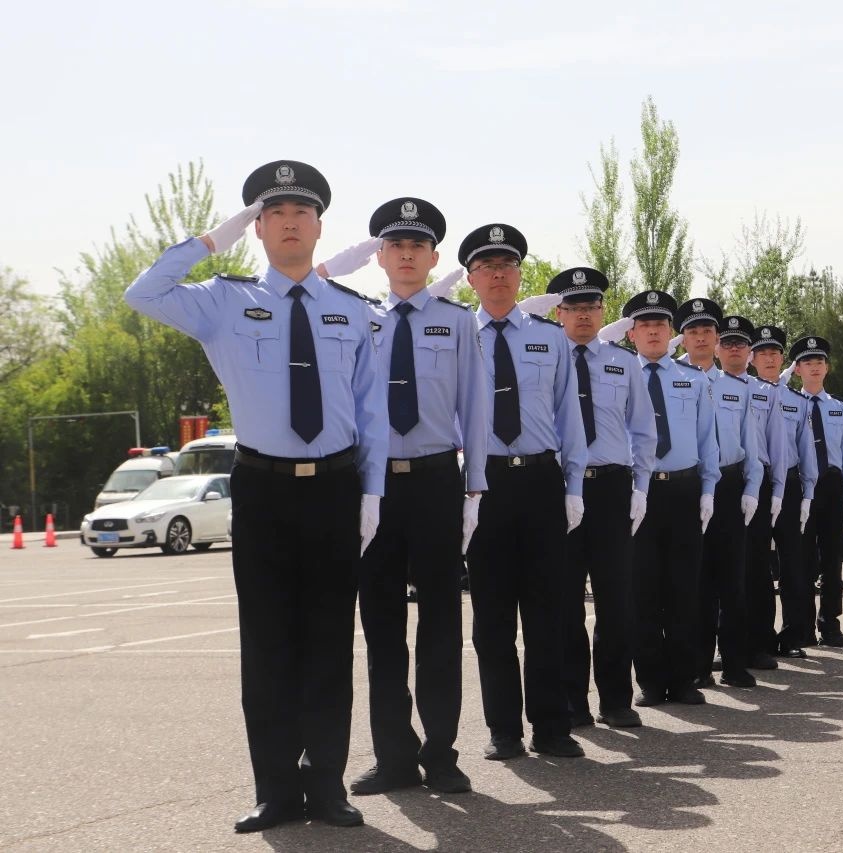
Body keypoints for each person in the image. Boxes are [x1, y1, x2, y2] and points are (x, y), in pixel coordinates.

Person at [125, 160, 384, 831]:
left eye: (302, 212)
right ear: (259, 228)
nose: (290, 222)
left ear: (320, 227)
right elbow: (143, 293)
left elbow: (372, 410)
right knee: (267, 644)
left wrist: (372, 492)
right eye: (274, 213)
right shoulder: (222, 300)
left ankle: (326, 786)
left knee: (329, 642)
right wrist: (215, 238)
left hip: (334, 488)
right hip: (263, 490)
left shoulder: (353, 310)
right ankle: (275, 790)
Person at [317, 198, 488, 798]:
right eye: (395, 246)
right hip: (373, 485)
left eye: (418, 246)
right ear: (379, 257)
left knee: (440, 621)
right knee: (381, 624)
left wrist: (475, 488)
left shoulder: (458, 321)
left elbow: (476, 406)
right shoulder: (355, 316)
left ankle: (441, 754)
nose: (407, 255)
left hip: (438, 480)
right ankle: (393, 756)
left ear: (434, 258)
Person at [460, 224, 589, 761]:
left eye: (507, 265)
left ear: (519, 275)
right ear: (470, 278)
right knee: (491, 618)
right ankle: (504, 730)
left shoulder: (551, 338)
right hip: (482, 486)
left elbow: (569, 416)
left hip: (540, 481)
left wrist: (574, 486)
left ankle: (552, 727)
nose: (498, 275)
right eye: (486, 267)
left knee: (547, 613)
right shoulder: (456, 333)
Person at [550, 267, 657, 729]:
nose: (583, 315)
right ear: (559, 313)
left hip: (612, 487)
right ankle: (572, 702)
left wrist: (641, 486)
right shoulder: (546, 357)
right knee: (565, 601)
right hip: (559, 489)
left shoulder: (624, 362)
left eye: (591, 307)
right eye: (573, 307)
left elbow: (643, 429)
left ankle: (615, 699)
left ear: (602, 311)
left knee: (616, 599)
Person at [625, 290, 720, 706]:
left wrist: (709, 489)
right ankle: (649, 680)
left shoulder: (694, 380)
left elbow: (708, 439)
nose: (653, 332)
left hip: (683, 490)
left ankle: (683, 678)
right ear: (631, 333)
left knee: (683, 588)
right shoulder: (620, 374)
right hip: (636, 492)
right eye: (645, 325)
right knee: (641, 589)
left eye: (660, 325)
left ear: (671, 333)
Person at [673, 300, 763, 689]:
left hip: (728, 487)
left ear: (716, 338)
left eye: (707, 331)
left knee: (731, 579)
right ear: (683, 338)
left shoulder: (736, 388)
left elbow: (751, 445)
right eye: (693, 331)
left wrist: (752, 488)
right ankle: (696, 663)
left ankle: (734, 662)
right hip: (685, 486)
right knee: (693, 581)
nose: (700, 338)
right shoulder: (671, 380)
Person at [718, 316, 787, 671]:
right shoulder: (706, 385)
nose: (734, 349)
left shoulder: (765, 392)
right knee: (721, 568)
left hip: (757, 483)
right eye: (728, 343)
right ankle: (724, 646)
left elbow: (778, 446)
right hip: (719, 482)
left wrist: (778, 491)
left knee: (757, 567)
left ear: (749, 351)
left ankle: (760, 642)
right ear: (718, 348)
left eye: (741, 343)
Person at [749, 325, 818, 659]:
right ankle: (758, 636)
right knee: (754, 562)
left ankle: (792, 636)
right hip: (755, 483)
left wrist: (808, 493)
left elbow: (806, 450)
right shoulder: (746, 392)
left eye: (775, 353)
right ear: (752, 358)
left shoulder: (797, 401)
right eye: (763, 353)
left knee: (793, 563)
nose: (769, 358)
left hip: (789, 485)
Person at [792, 335, 843, 647]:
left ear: (827, 367)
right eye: (807, 362)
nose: (814, 367)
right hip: (801, 486)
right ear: (797, 369)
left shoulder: (840, 407)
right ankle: (803, 627)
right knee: (803, 560)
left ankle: (830, 624)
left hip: (832, 486)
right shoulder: (789, 404)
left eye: (819, 361)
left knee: (832, 561)